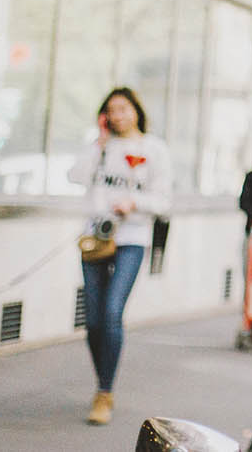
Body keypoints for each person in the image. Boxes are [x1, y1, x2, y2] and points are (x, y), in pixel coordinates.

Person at [67, 86, 171, 426]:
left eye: (124, 108)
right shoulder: (100, 147)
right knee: (93, 321)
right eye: (111, 110)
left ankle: (104, 391)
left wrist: (135, 204)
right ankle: (104, 382)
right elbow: (75, 177)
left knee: (112, 312)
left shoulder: (154, 149)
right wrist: (98, 142)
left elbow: (163, 201)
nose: (118, 115)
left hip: (131, 238)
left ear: (137, 111)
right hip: (96, 238)